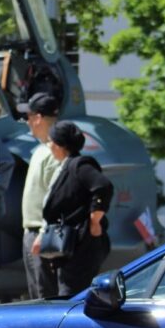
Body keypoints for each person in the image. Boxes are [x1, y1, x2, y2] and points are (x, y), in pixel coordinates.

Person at [34, 120, 114, 297]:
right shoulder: (67, 165)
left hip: (81, 247)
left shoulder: (80, 165)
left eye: (51, 141)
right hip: (69, 247)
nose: (49, 146)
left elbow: (103, 186)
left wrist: (95, 221)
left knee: (72, 296)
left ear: (60, 145)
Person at [18, 92, 61, 299]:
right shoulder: (41, 151)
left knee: (45, 297)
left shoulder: (53, 153)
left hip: (41, 236)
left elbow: (55, 197)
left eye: (28, 117)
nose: (26, 123)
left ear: (38, 118)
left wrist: (44, 233)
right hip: (32, 234)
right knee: (36, 295)